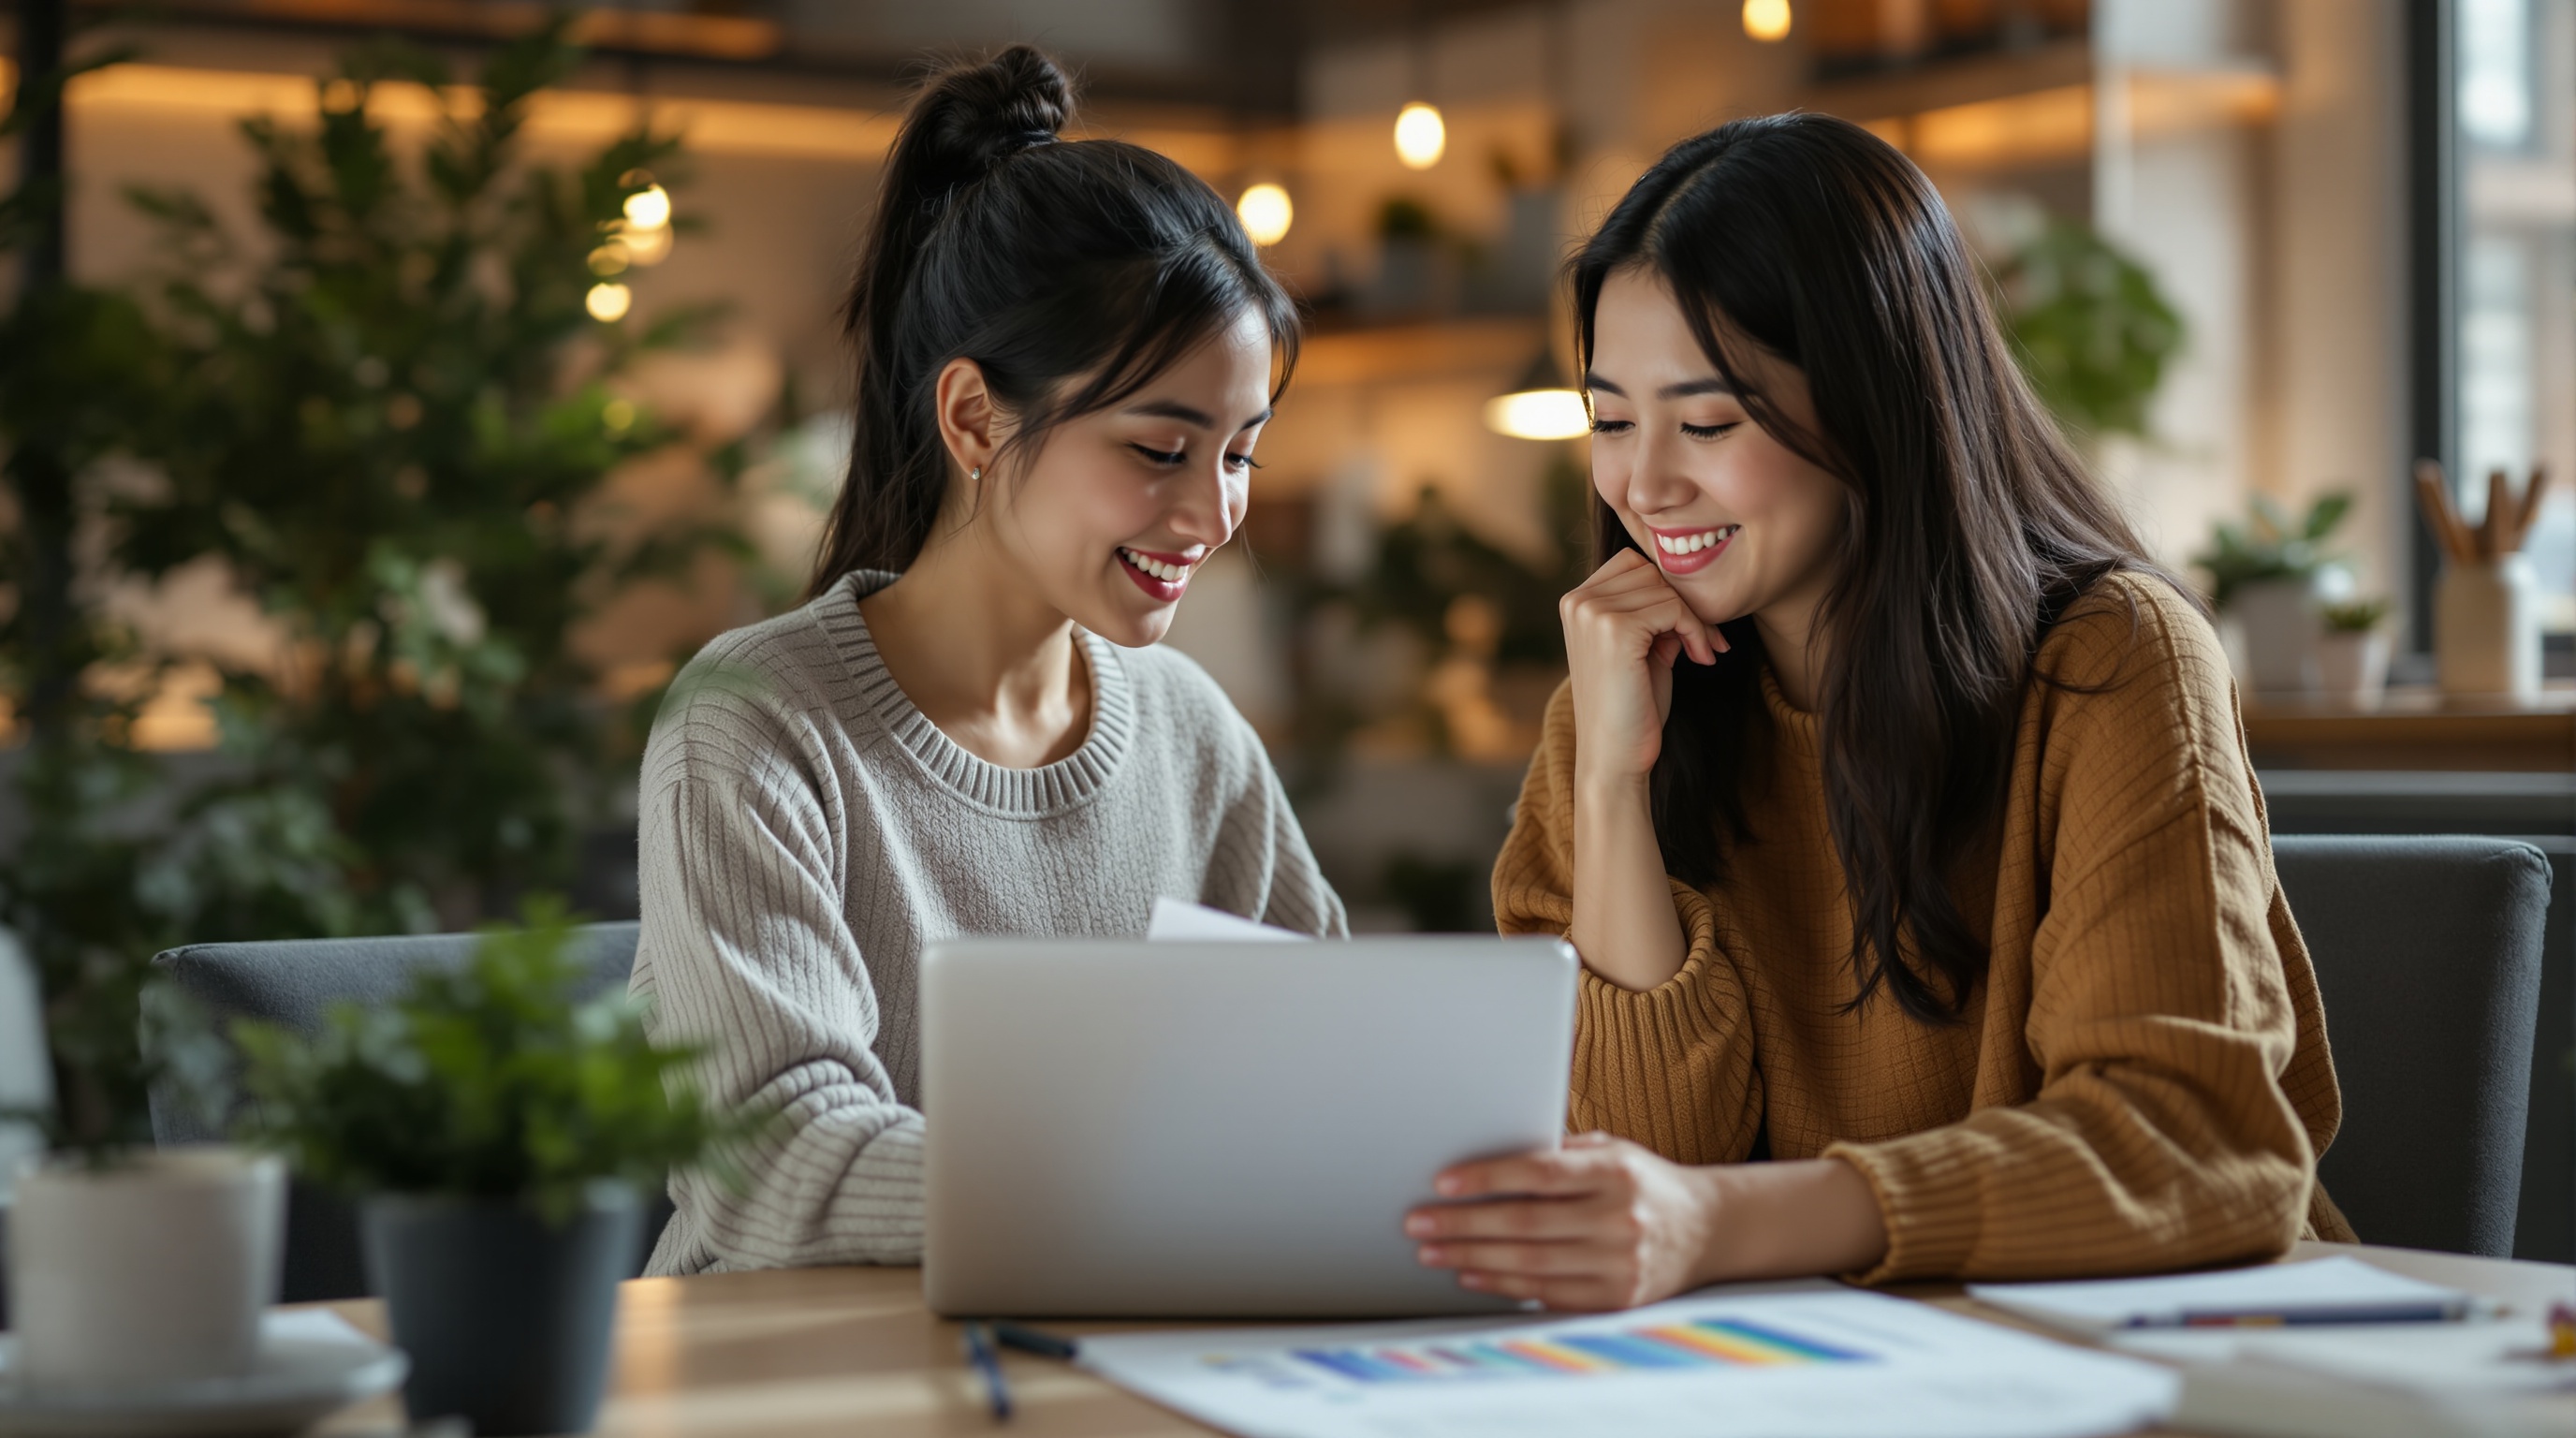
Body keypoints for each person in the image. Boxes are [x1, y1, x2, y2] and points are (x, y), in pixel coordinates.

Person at [1406, 113, 2351, 1310]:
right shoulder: (1617, 693)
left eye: (1706, 423)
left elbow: (2195, 1149)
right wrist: (1608, 785)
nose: (1644, 484)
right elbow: (1642, 1181)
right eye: (1607, 420)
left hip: (2169, 1349)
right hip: (1823, 1368)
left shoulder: (2113, 663)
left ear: (1875, 402)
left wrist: (1722, 1220)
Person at [632, 46, 1344, 1275]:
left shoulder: (1190, 730)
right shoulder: (755, 725)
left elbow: (1332, 1075)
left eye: (1241, 454)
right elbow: (775, 1170)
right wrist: (1146, 1188)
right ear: (973, 417)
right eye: (1161, 449)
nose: (1214, 513)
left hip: (1108, 1344)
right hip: (798, 1379)